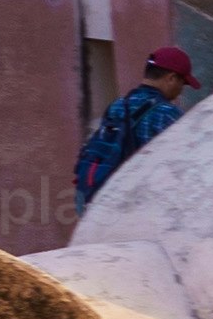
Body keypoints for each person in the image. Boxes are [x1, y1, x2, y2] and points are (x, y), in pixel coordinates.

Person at [75, 45, 193, 208]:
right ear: (171, 78)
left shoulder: (117, 105)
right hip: (144, 204)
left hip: (105, 197)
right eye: (183, 83)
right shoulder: (168, 113)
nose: (181, 90)